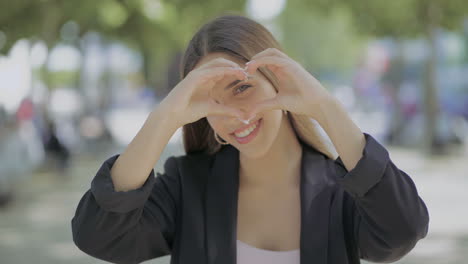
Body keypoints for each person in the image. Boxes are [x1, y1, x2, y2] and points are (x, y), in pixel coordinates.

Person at [71, 14, 429, 264]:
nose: (233, 115)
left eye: (241, 88)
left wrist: (324, 106)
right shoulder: (187, 187)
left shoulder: (342, 191)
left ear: (281, 79)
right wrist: (163, 119)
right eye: (212, 102)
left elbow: (402, 232)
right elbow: (98, 237)